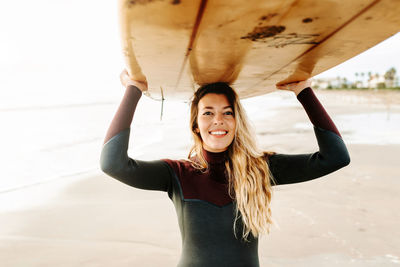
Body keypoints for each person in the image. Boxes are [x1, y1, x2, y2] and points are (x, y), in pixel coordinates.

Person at [100, 70, 350, 267]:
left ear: (236, 121)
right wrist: (134, 90)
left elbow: (335, 157)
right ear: (196, 125)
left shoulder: (260, 169)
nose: (218, 120)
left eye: (227, 113)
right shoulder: (176, 173)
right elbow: (113, 163)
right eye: (207, 113)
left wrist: (303, 91)